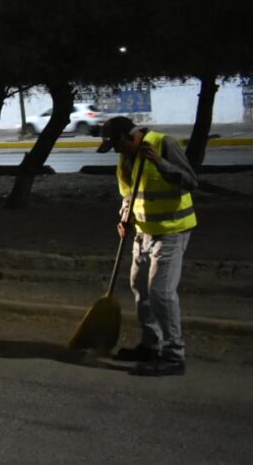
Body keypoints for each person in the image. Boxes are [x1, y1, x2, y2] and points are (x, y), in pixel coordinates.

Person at [98, 116, 198, 376]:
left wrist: (159, 162)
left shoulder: (163, 144)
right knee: (140, 287)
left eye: (117, 146)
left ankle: (174, 355)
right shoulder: (126, 157)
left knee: (161, 292)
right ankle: (151, 345)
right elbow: (130, 194)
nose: (117, 152)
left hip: (171, 231)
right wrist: (124, 215)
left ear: (128, 137)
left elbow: (190, 180)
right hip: (142, 232)